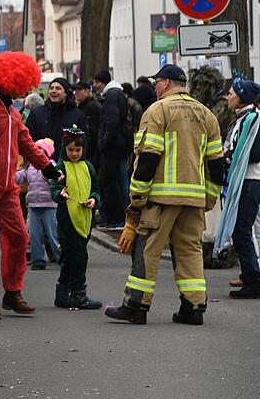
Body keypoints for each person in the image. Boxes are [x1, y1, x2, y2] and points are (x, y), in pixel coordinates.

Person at [106, 64, 224, 326]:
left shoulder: (157, 110)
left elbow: (147, 158)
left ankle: (136, 305)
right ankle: (193, 308)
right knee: (190, 252)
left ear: (167, 83)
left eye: (156, 82)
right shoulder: (207, 115)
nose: (155, 87)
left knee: (147, 249)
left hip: (160, 200)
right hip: (194, 200)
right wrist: (209, 197)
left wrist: (136, 199)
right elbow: (217, 164)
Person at [0, 52, 62, 320]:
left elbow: (27, 143)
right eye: (23, 85)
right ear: (10, 81)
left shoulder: (11, 112)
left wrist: (47, 167)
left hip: (6, 186)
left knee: (19, 236)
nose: (25, 90)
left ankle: (12, 292)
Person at [49, 129, 102, 309]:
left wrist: (94, 200)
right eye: (71, 150)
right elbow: (54, 188)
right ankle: (79, 293)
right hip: (67, 220)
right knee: (80, 256)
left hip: (84, 219)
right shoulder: (60, 167)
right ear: (64, 149)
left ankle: (62, 293)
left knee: (72, 258)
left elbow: (95, 189)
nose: (74, 154)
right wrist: (60, 194)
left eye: (78, 150)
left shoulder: (89, 167)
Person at [216, 78, 260, 299]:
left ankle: (253, 281)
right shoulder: (244, 119)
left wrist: (228, 158)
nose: (228, 97)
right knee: (241, 229)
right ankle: (249, 275)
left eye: (231, 93)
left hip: (251, 181)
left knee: (242, 230)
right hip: (244, 180)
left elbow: (254, 153)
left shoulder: (253, 120)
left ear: (242, 96)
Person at [92, 71, 129, 230]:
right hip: (120, 146)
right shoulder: (117, 94)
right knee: (121, 180)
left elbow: (111, 123)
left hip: (113, 147)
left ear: (103, 82)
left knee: (110, 181)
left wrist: (103, 143)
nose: (94, 85)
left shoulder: (111, 96)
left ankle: (117, 219)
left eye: (96, 82)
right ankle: (122, 216)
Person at [16, 139, 59, 270]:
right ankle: (38, 259)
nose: (37, 155)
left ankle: (61, 256)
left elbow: (58, 179)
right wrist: (10, 176)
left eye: (41, 152)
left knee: (53, 235)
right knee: (34, 235)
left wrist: (52, 179)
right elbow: (21, 176)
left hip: (49, 205)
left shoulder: (51, 166)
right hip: (34, 206)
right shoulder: (29, 167)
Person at [25, 77, 84, 161]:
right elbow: (27, 139)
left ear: (66, 93)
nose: (53, 91)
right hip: (39, 164)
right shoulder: (36, 113)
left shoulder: (77, 115)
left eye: (58, 88)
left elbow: (83, 142)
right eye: (51, 88)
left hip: (67, 164)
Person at [72, 81, 102, 170]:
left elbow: (95, 129)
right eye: (75, 90)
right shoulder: (80, 106)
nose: (76, 92)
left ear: (87, 91)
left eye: (79, 89)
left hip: (92, 146)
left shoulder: (92, 106)